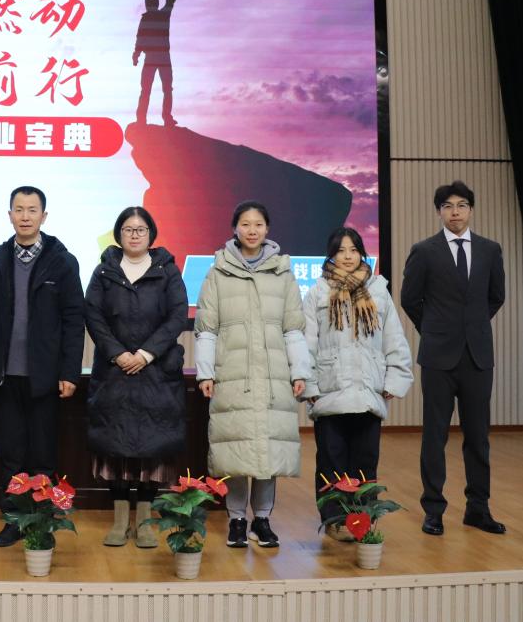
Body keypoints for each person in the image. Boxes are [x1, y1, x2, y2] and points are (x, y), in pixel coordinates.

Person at [194, 200, 311, 549]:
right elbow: (207, 330)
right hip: (234, 376)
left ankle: (262, 520)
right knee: (236, 451)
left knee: (268, 452)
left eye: (258, 224)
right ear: (235, 228)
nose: (252, 230)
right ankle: (236, 520)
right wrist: (205, 374)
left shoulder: (283, 274)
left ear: (267, 229)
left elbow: (293, 329)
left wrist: (300, 370)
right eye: (245, 224)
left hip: (274, 378)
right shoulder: (217, 273)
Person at [400, 181, 506, 536]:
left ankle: (478, 508)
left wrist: (470, 326)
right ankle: (433, 510)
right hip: (438, 356)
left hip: (478, 355)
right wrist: (434, 329)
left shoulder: (490, 250)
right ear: (439, 212)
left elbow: (496, 296)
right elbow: (410, 299)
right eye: (448, 206)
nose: (455, 212)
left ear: (471, 210)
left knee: (478, 437)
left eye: (461, 205)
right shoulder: (424, 251)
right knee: (435, 436)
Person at [0, 186, 85, 548]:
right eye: (19, 209)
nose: (25, 216)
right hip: (5, 375)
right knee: (12, 456)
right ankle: (13, 520)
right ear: (9, 215)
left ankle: (41, 523)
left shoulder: (63, 261)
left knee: (43, 455)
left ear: (44, 216)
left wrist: (70, 372)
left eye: (32, 210)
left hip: (45, 377)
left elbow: (74, 320)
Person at [85, 206, 189, 549]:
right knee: (114, 447)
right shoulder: (104, 271)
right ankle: (119, 522)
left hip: (156, 371)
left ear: (151, 234)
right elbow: (93, 316)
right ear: (119, 234)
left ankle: (144, 522)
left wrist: (145, 354)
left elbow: (177, 315)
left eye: (141, 229)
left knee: (152, 447)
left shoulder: (167, 270)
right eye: (128, 229)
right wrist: (118, 353)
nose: (134, 235)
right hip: (114, 372)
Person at [301, 227, 413, 542]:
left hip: (368, 392)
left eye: (353, 250)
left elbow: (394, 339)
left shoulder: (378, 291)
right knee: (331, 461)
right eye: (341, 250)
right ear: (331, 255)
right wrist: (309, 386)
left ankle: (362, 520)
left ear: (362, 253)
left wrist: (395, 379)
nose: (348, 256)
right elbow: (306, 344)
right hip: (330, 391)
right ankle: (335, 520)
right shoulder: (317, 293)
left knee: (365, 462)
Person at [133, 0, 179, 127]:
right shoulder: (163, 14)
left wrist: (136, 55)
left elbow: (140, 39)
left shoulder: (146, 18)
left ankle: (142, 119)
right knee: (166, 89)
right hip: (163, 57)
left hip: (152, 58)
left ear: (147, 5)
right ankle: (166, 118)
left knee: (146, 90)